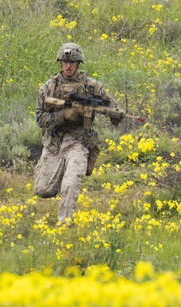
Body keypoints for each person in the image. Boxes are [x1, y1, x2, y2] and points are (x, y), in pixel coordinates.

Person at [34, 43, 123, 224]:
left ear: (78, 63)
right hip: (53, 143)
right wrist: (63, 115)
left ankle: (65, 223)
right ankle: (54, 173)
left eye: (73, 62)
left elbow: (112, 106)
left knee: (70, 183)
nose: (68, 66)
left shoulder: (92, 86)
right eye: (65, 62)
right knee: (43, 190)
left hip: (79, 142)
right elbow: (40, 119)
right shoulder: (48, 88)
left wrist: (116, 114)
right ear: (60, 63)